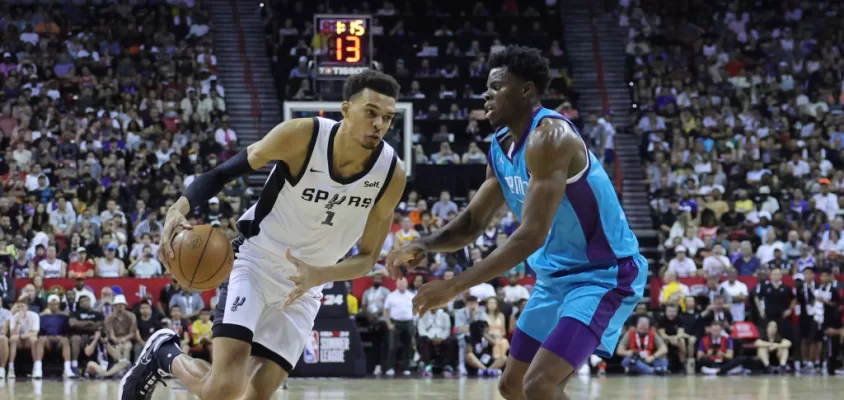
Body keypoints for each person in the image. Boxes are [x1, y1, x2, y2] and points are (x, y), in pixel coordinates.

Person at [121, 70, 406, 400]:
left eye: (387, 117)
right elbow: (224, 172)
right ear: (345, 110)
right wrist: (179, 208)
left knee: (255, 396)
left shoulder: (391, 173)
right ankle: (162, 353)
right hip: (255, 262)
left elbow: (368, 258)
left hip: (307, 287)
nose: (379, 125)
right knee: (224, 389)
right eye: (370, 112)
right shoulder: (303, 136)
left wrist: (321, 275)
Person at [388, 45, 647, 400]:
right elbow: (474, 221)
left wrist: (455, 285)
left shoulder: (551, 137)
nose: (487, 95)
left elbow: (531, 235)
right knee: (512, 386)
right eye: (487, 88)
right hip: (555, 277)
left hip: (603, 274)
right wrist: (426, 243)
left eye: (497, 87)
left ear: (526, 90)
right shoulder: (499, 145)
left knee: (540, 385)